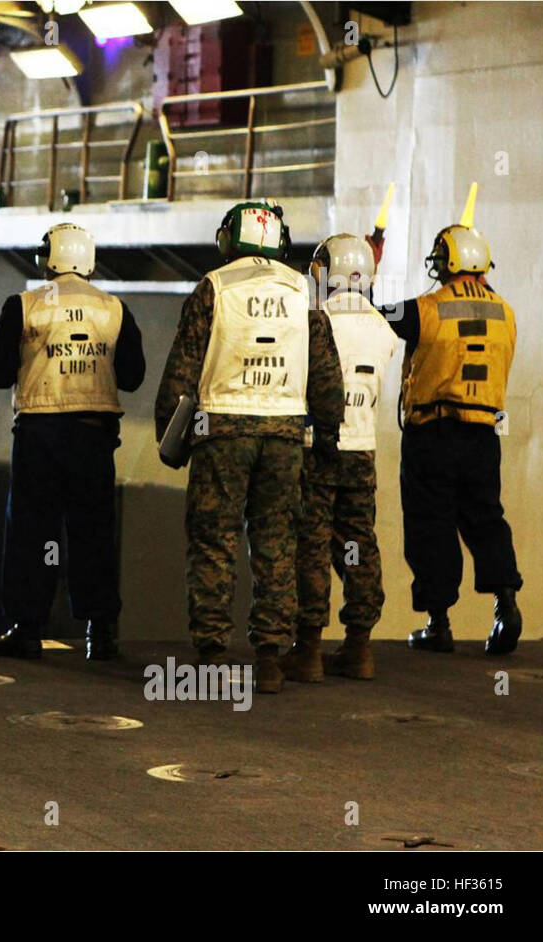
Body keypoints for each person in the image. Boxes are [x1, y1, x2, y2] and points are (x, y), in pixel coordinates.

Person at [154, 201, 344, 693]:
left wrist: (168, 436)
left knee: (215, 539)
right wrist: (327, 433)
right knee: (277, 543)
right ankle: (270, 659)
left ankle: (214, 653)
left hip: (222, 433)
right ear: (279, 242)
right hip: (284, 436)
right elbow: (325, 372)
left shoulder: (213, 288)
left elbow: (183, 372)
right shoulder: (305, 291)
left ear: (228, 240)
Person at [0, 222, 145, 660]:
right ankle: (100, 632)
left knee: (31, 533)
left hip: (39, 435)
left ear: (46, 258)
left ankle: (27, 630)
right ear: (89, 260)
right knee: (94, 532)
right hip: (94, 437)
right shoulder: (113, 309)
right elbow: (133, 376)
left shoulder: (25, 305)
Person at [377, 223, 522, 655]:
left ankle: (438, 623)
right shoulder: (506, 312)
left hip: (433, 434)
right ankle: (505, 603)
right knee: (485, 518)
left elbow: (374, 314)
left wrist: (363, 271)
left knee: (431, 523)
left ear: (448, 263)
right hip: (483, 436)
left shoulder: (428, 309)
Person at [282, 234, 399, 682]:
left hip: (318, 449)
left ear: (322, 272)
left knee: (311, 545)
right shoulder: (382, 327)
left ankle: (308, 649)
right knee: (358, 545)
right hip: (362, 450)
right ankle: (359, 647)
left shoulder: (316, 320)